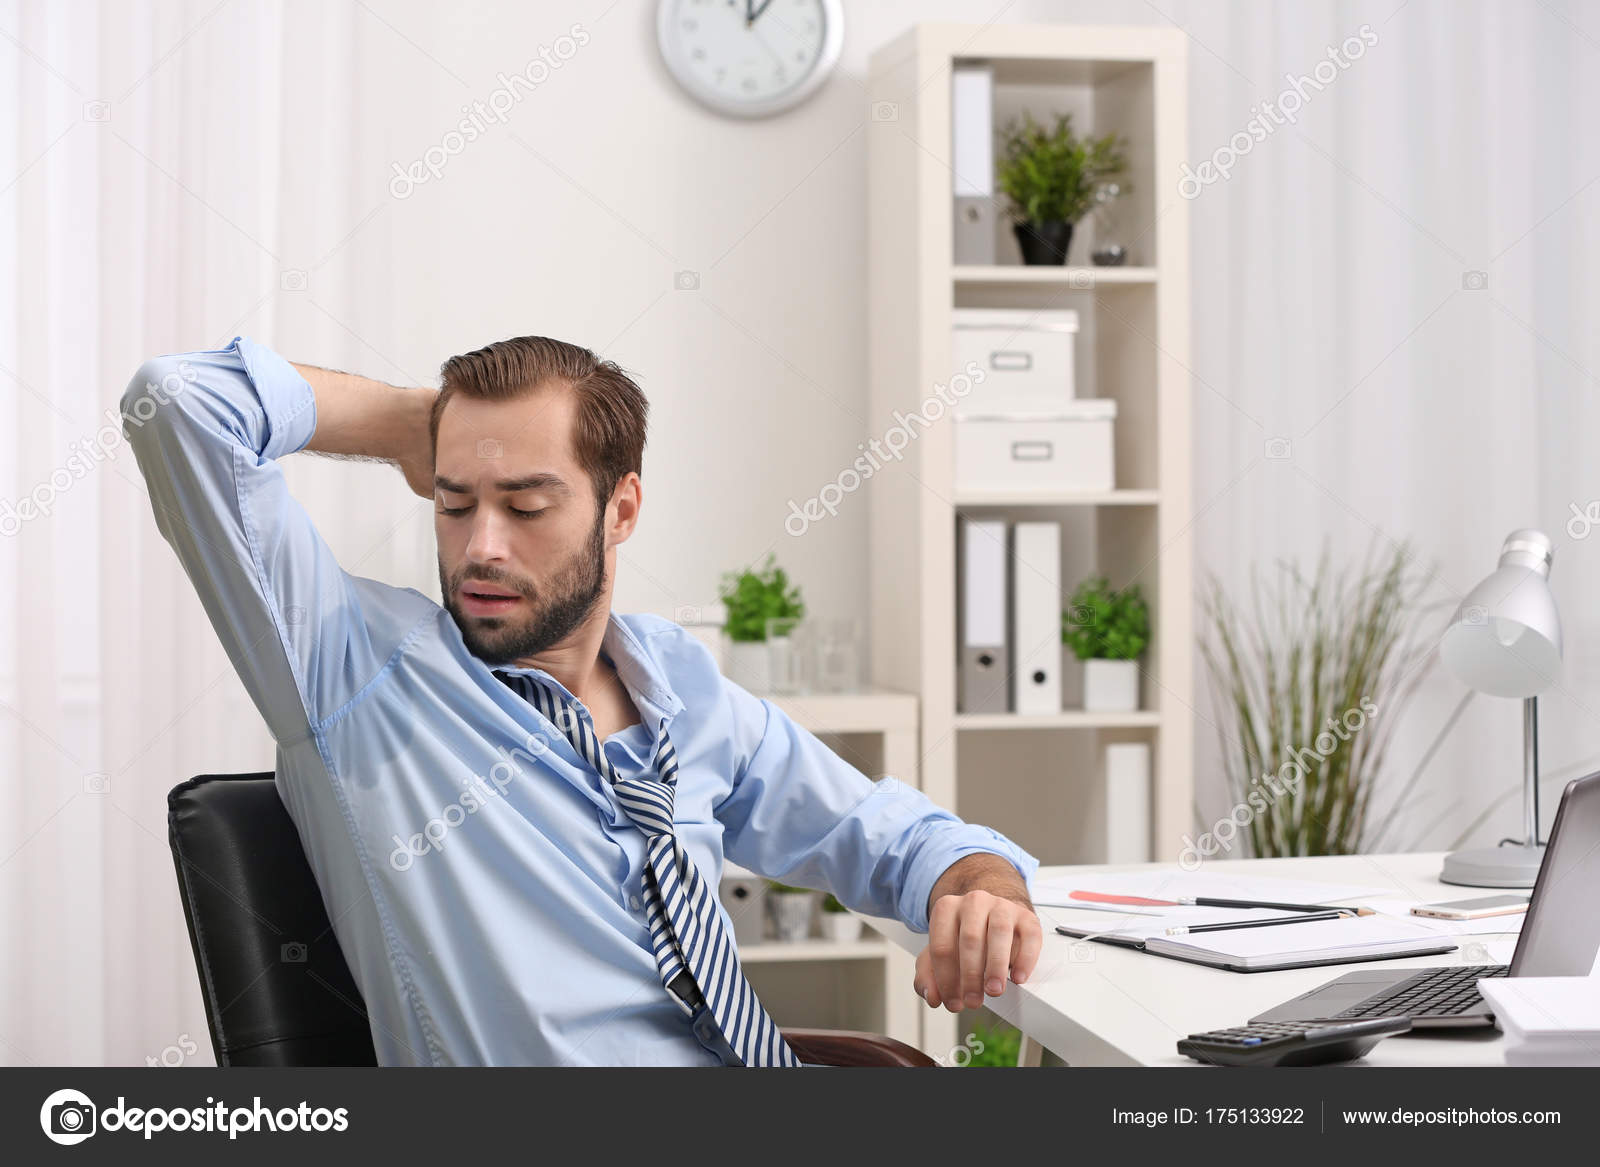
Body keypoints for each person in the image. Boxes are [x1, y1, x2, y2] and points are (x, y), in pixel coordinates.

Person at [122, 334, 1040, 1066]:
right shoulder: (355, 671)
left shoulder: (679, 684)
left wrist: (981, 882)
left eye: (526, 506)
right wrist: (415, 420)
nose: (481, 546)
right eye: (453, 503)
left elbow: (883, 833)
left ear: (621, 510)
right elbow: (177, 400)